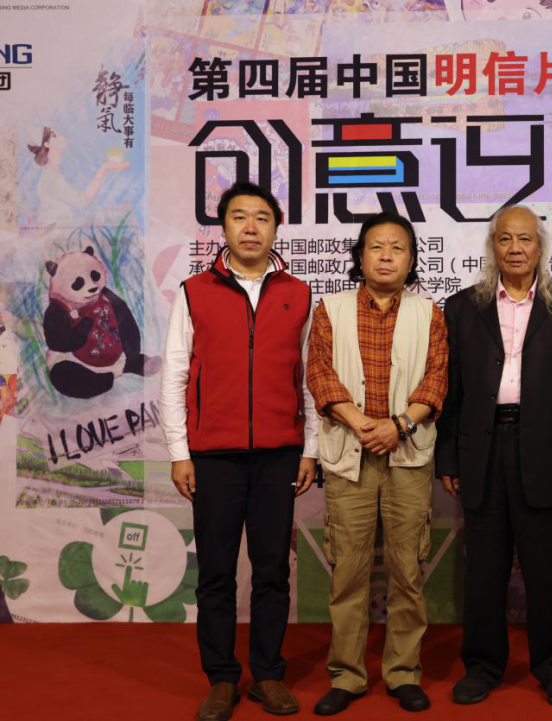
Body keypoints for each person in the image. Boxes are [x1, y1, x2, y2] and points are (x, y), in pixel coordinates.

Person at [160, 180, 317, 720]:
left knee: (273, 570)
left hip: (280, 454)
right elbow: (175, 374)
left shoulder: (299, 293)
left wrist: (310, 449)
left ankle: (268, 675)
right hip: (214, 455)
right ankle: (222, 678)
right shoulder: (194, 291)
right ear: (223, 226)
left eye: (262, 218)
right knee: (217, 573)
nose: (251, 227)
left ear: (276, 227)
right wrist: (179, 451)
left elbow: (310, 377)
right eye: (239, 217)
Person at [436, 205, 552, 708]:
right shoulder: (462, 308)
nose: (515, 248)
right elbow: (452, 391)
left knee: (549, 572)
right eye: (505, 239)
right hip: (483, 450)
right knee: (484, 572)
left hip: (547, 450)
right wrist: (449, 458)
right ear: (492, 247)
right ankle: (482, 666)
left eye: (525, 238)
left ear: (540, 246)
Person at [306, 212, 448, 714]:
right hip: (349, 455)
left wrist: (398, 426)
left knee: (408, 569)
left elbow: (437, 378)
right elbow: (319, 373)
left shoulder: (430, 313)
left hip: (408, 456)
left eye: (397, 248)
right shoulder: (330, 309)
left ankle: (403, 672)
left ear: (411, 260)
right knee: (348, 571)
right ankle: (346, 676)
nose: (386, 256)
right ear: (360, 256)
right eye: (376, 247)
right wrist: (362, 423)